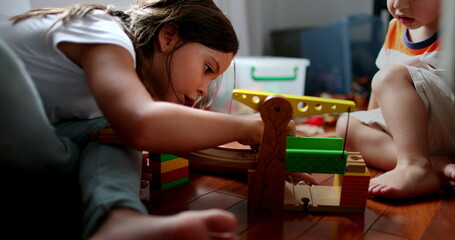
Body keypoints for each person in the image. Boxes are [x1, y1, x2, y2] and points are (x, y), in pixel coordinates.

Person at [336, 0, 455, 199]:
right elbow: (381, 86)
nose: (400, 4)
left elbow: (388, 79)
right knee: (346, 126)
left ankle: (415, 165)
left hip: (447, 124)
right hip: (414, 134)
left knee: (390, 77)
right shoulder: (396, 27)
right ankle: (435, 166)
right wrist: (368, 121)